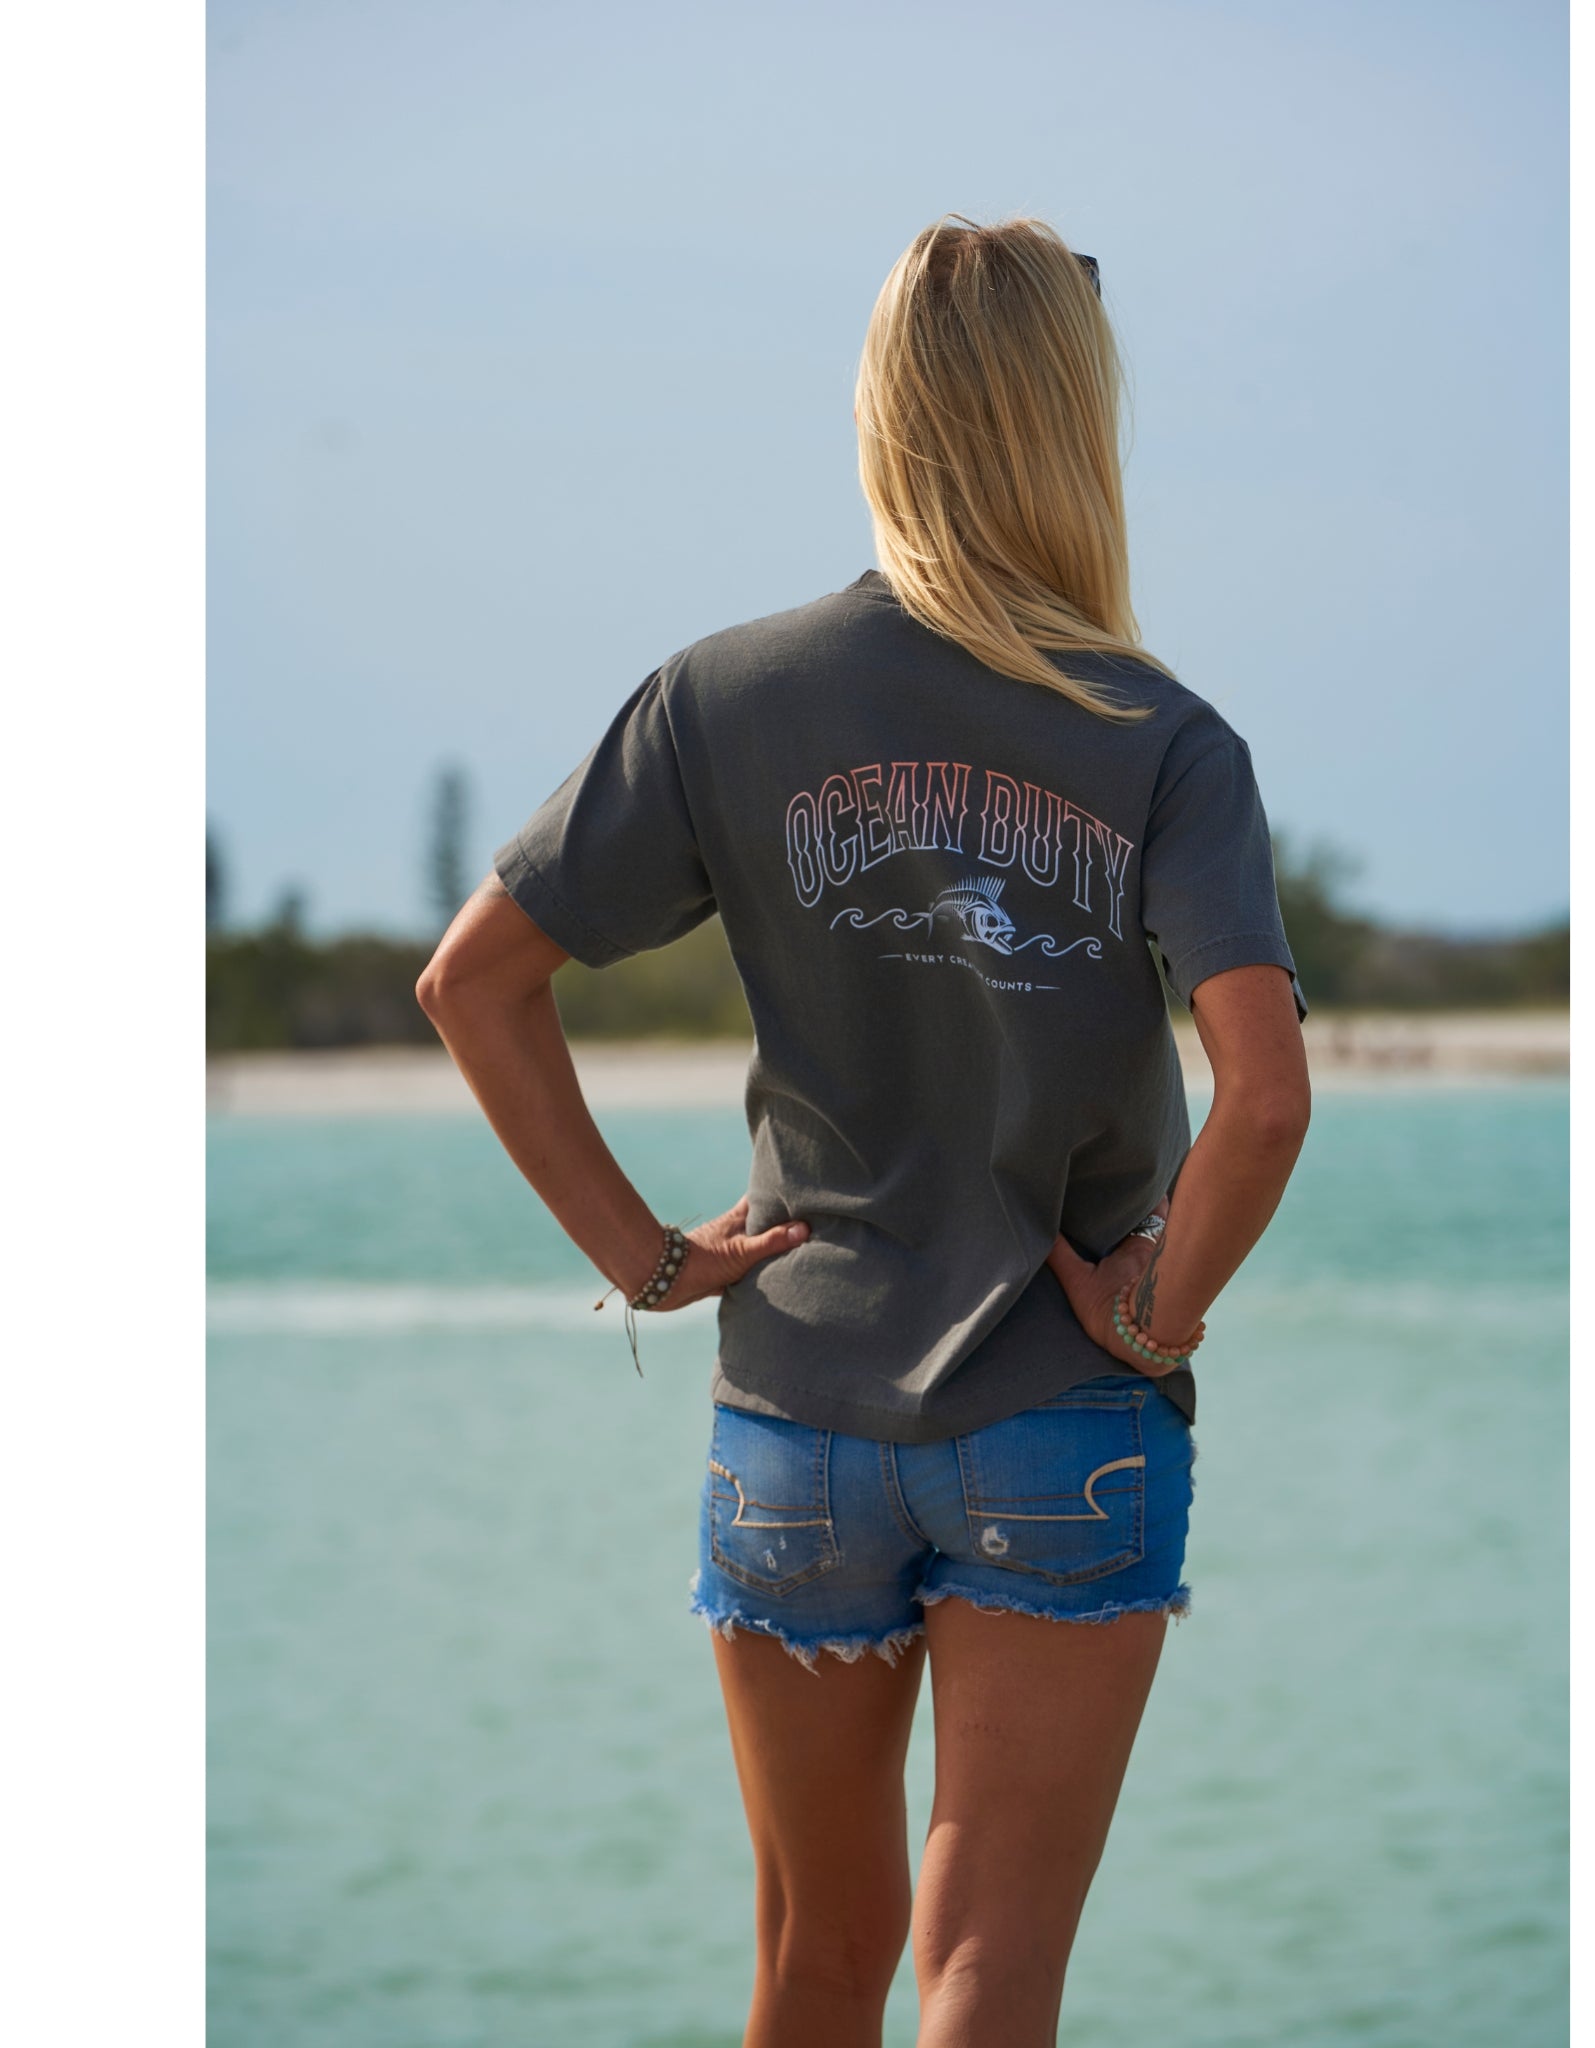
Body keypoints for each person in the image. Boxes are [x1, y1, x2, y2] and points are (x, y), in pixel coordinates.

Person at [417, 214, 1311, 2048]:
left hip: (793, 1433)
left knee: (818, 1963)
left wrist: (645, 1261)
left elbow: (473, 982)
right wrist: (1155, 1312)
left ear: (885, 413)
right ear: (1078, 421)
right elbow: (1268, 1091)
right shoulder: (1163, 740)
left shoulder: (724, 699)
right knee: (988, 1971)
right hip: (1063, 1413)